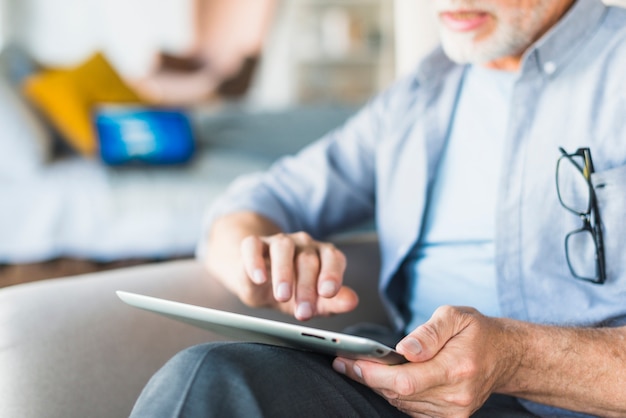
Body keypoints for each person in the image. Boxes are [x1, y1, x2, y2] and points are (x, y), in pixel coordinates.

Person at [130, 0, 626, 416]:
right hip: (402, 388)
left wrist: (515, 359)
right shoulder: (421, 94)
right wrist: (263, 258)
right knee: (209, 379)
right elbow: (250, 205)